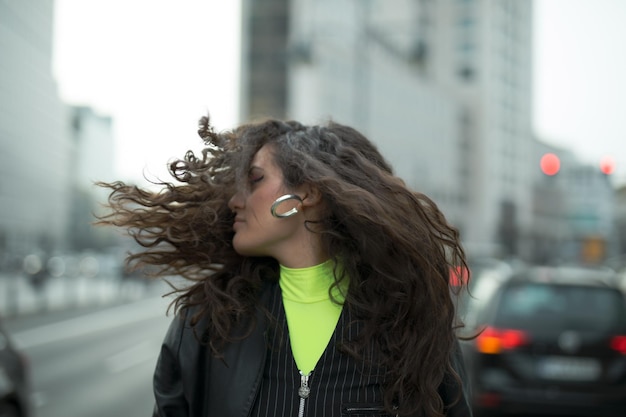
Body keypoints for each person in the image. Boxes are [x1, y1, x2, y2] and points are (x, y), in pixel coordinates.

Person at [97, 115, 473, 417]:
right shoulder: (207, 321)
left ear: (306, 193)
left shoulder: (409, 321)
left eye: (255, 179)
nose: (234, 200)